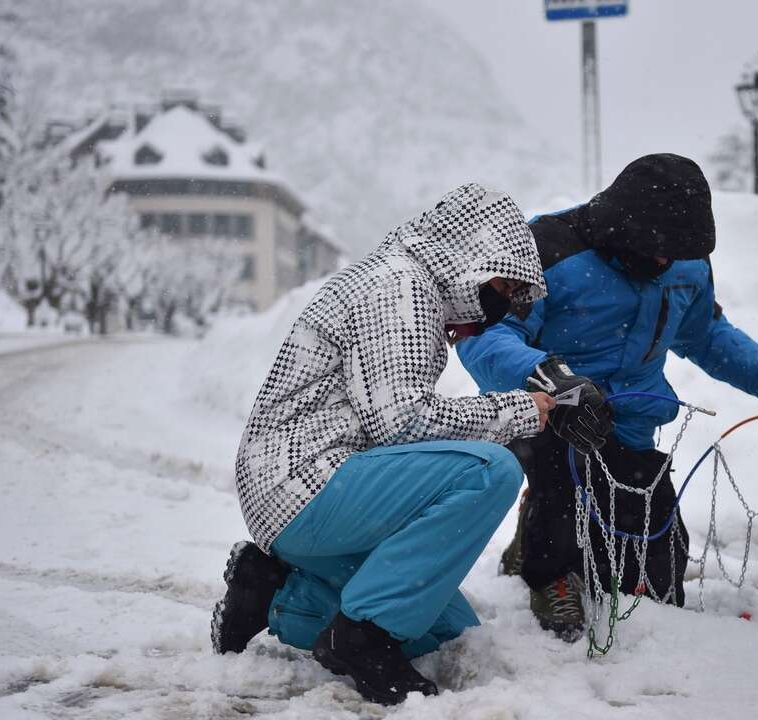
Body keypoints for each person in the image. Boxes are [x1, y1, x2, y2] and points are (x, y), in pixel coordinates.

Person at [209, 184, 562, 706]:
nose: (500, 307)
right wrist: (518, 412)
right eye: (502, 288)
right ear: (469, 260)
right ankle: (363, 639)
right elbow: (403, 422)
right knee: (491, 471)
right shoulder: (401, 287)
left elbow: (390, 424)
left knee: (442, 632)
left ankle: (273, 591)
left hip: (300, 495)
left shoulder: (406, 283)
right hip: (306, 480)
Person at [455, 154, 758, 642]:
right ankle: (546, 570)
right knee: (563, 516)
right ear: (621, 228)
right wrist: (552, 380)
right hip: (549, 417)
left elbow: (706, 334)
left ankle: (550, 537)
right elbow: (487, 335)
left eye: (675, 252)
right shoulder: (548, 250)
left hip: (629, 425)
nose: (665, 262)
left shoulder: (684, 260)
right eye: (657, 251)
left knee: (655, 580)